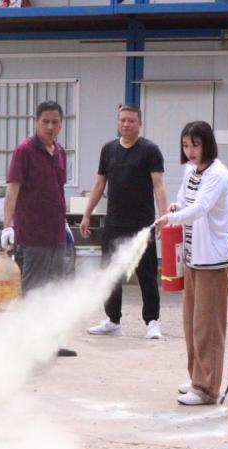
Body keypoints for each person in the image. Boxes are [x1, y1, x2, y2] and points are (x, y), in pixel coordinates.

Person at [154, 121, 228, 406]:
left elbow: (200, 208)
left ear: (207, 144)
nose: (190, 151)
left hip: (213, 261)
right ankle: (197, 378)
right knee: (191, 324)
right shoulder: (191, 171)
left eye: (195, 145)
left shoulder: (218, 174)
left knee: (207, 328)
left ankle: (207, 389)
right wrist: (175, 208)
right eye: (186, 145)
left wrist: (170, 218)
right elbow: (184, 202)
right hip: (193, 258)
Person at [80, 104, 168, 339]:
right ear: (118, 123)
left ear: (140, 123)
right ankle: (113, 321)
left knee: (147, 274)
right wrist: (87, 214)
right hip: (114, 223)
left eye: (131, 120)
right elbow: (99, 184)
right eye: (122, 120)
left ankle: (152, 322)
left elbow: (159, 186)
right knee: (110, 273)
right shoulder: (108, 150)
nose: (126, 124)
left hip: (142, 225)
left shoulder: (150, 150)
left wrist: (163, 218)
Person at [1, 100, 76, 357]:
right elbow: (12, 190)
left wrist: (64, 222)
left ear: (61, 124)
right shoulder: (24, 151)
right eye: (45, 121)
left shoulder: (60, 152)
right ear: (36, 122)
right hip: (32, 234)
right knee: (33, 290)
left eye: (55, 122)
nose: (50, 126)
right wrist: (7, 226)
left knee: (54, 289)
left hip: (56, 232)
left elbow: (58, 190)